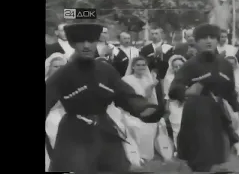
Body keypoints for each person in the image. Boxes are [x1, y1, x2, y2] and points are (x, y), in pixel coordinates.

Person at [46, 22, 164, 173]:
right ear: (72, 44)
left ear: (97, 41)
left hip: (104, 129)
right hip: (73, 133)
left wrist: (144, 108)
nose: (87, 46)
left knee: (116, 168)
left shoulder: (106, 70)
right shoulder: (63, 74)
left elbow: (125, 95)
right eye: (81, 42)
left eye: (91, 41)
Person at [169, 24, 239, 172]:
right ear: (196, 42)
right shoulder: (190, 65)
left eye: (212, 37)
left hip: (217, 113)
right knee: (201, 157)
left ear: (217, 40)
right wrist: (187, 92)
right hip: (196, 113)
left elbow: (230, 92)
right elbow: (174, 89)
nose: (208, 41)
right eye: (203, 38)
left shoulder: (225, 64)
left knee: (217, 155)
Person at [120, 56, 159, 162]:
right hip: (131, 111)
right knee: (136, 126)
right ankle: (135, 155)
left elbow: (150, 98)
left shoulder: (148, 79)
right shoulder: (126, 80)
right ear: (132, 67)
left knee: (151, 125)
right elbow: (133, 99)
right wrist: (150, 87)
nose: (141, 67)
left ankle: (146, 155)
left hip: (146, 110)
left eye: (143, 65)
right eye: (138, 65)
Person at [140, 27, 174, 106]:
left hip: (164, 75)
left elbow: (170, 62)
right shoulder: (145, 49)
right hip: (151, 75)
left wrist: (161, 57)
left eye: (156, 34)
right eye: (152, 34)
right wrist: (153, 57)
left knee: (164, 95)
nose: (154, 36)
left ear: (161, 35)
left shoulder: (168, 48)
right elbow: (143, 62)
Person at [45, 53, 67, 171]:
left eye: (61, 67)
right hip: (50, 115)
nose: (59, 69)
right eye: (56, 66)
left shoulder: (70, 83)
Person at [163, 55, 187, 149]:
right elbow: (167, 94)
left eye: (180, 66)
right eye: (175, 66)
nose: (178, 68)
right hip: (174, 104)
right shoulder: (169, 78)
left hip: (188, 104)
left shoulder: (190, 77)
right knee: (177, 127)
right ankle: (179, 148)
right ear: (172, 67)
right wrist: (167, 107)